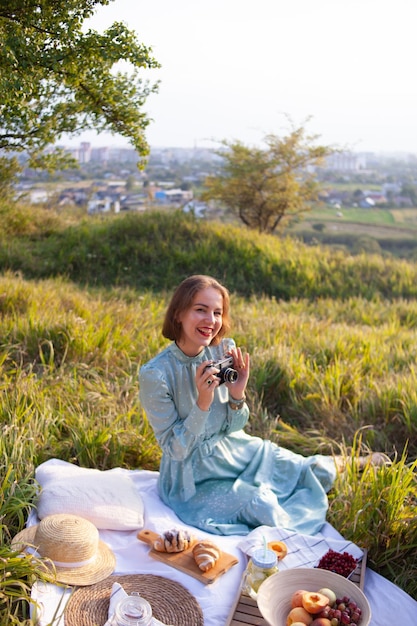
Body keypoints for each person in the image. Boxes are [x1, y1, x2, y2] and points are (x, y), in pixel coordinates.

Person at [139, 275, 349, 536]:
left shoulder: (222, 350)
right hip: (192, 479)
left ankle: (356, 461)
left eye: (217, 312)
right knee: (263, 506)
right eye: (200, 310)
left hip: (233, 450)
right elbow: (175, 450)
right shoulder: (156, 374)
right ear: (179, 313)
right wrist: (202, 403)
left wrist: (237, 395)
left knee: (297, 466)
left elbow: (234, 426)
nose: (211, 321)